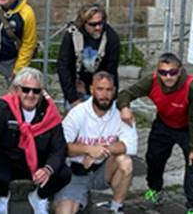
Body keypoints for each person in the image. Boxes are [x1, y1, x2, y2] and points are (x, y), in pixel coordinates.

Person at [0, 67, 70, 214]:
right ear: (17, 90)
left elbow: (59, 147)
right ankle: (2, 197)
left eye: (36, 91)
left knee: (63, 173)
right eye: (26, 90)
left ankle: (39, 197)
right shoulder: (3, 106)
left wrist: (48, 169)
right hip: (9, 159)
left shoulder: (50, 112)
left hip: (38, 160)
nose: (30, 95)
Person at [118, 52, 193, 214]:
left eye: (172, 72)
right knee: (153, 159)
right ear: (158, 72)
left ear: (179, 71)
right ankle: (155, 189)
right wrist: (124, 107)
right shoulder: (151, 81)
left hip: (187, 127)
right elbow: (125, 94)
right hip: (163, 124)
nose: (168, 77)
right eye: (163, 72)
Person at [55, 72, 136, 214]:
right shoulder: (77, 113)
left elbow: (130, 145)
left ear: (114, 90)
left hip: (102, 171)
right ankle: (80, 199)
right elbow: (61, 147)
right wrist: (88, 149)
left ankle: (116, 208)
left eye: (109, 90)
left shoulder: (121, 113)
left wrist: (100, 151)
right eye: (100, 89)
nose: (104, 95)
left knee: (126, 162)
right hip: (75, 172)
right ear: (91, 89)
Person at [57, 4, 120, 107]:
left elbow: (111, 70)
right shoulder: (72, 35)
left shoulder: (111, 37)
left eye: (100, 23)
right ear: (83, 23)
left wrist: (107, 96)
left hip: (101, 89)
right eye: (93, 24)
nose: (98, 27)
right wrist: (72, 98)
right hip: (76, 87)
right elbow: (63, 67)